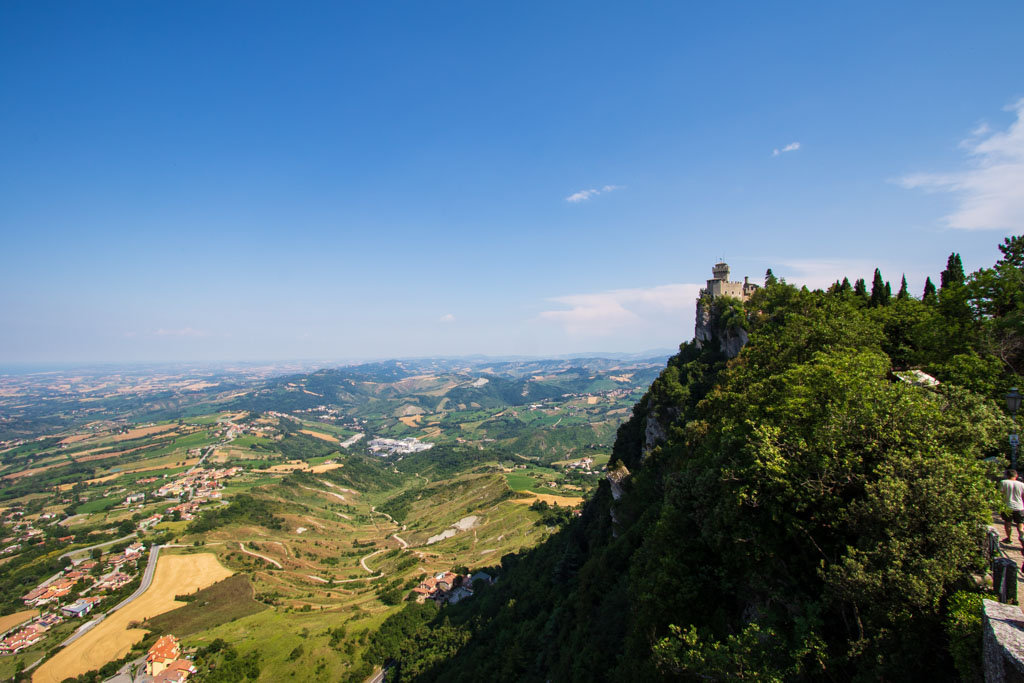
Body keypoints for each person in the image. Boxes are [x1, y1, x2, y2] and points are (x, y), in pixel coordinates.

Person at [1000, 469, 1024, 544]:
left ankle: (1009, 538)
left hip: (1007, 506)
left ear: (1007, 475)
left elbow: (1000, 494)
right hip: (1019, 506)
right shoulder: (1022, 484)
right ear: (1016, 475)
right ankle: (1021, 535)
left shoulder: (1003, 482)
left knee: (1008, 523)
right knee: (1020, 523)